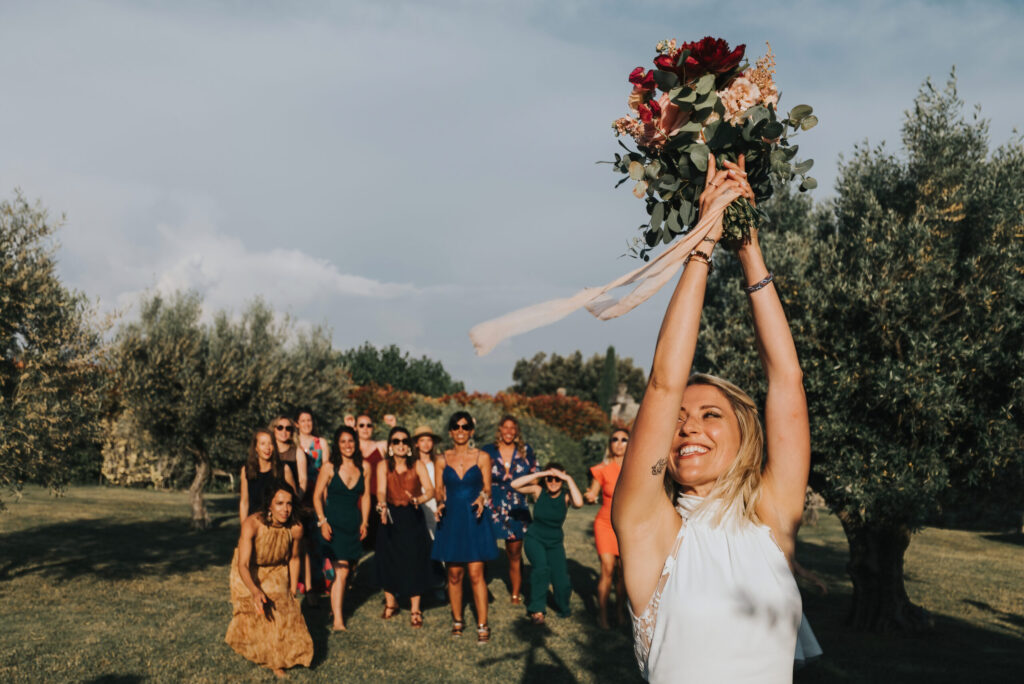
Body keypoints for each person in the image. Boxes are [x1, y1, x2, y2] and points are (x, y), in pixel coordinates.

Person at [612, 154, 808, 682]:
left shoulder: (773, 518)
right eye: (678, 419)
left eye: (710, 414)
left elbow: (786, 380)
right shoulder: (648, 527)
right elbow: (662, 383)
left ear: (745, 434)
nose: (688, 426)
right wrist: (700, 244)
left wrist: (746, 244)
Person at [225, 481, 313, 677]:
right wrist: (255, 590)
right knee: (258, 613)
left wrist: (292, 589)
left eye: (289, 503)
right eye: (280, 503)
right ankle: (274, 661)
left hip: (277, 571)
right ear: (269, 506)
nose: (285, 509)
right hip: (250, 571)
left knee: (282, 610)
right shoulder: (252, 524)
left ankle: (280, 657)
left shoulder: (295, 528)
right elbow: (243, 565)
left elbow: (295, 558)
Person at [431, 411, 498, 643]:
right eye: (456, 427)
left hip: (474, 518)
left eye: (465, 426)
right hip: (451, 519)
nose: (460, 431)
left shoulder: (482, 457)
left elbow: (488, 488)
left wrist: (481, 497)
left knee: (476, 574)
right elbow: (438, 489)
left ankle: (482, 625)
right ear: (450, 432)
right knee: (454, 574)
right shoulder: (441, 459)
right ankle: (457, 621)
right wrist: (439, 502)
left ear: (471, 431)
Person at [375, 426, 435, 628]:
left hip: (412, 516)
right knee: (388, 557)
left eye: (404, 441)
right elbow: (381, 490)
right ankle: (391, 604)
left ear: (409, 445)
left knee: (414, 560)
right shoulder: (383, 465)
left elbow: (431, 491)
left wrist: (419, 499)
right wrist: (382, 505)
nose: (400, 445)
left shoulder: (417, 464)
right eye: (396, 441)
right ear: (391, 445)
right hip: (390, 516)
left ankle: (415, 609)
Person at [313, 425, 371, 631]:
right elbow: (317, 495)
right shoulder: (329, 467)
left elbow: (365, 497)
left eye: (351, 441)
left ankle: (334, 606)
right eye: (343, 441)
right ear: (337, 445)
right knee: (342, 570)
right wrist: (322, 521)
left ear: (356, 443)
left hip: (353, 526)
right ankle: (338, 619)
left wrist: (365, 521)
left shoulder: (364, 467)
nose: (347, 445)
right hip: (333, 525)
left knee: (346, 571)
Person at [510, 463, 584, 624]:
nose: (553, 482)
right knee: (541, 569)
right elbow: (514, 484)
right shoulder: (538, 492)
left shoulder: (565, 496)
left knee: (561, 579)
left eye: (557, 479)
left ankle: (563, 607)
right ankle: (537, 609)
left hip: (555, 541)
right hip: (535, 538)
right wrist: (539, 474)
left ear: (563, 479)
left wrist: (568, 478)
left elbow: (579, 503)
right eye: (550, 478)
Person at [482, 415, 538, 604]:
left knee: (514, 551)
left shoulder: (526, 450)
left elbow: (535, 476)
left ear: (516, 431)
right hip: (492, 503)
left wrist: (533, 491)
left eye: (512, 428)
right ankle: (480, 585)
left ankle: (515, 592)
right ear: (499, 430)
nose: (508, 431)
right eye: (505, 428)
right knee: (485, 549)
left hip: (517, 504)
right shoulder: (488, 451)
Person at [583, 427, 629, 628]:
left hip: (627, 527)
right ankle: (602, 616)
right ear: (610, 444)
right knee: (607, 568)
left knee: (622, 573)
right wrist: (590, 496)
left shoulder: (635, 468)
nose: (619, 443)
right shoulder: (601, 469)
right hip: (605, 524)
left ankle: (619, 613)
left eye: (624, 440)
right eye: (615, 439)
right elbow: (593, 493)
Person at [296, 408, 330, 603]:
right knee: (301, 541)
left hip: (317, 492)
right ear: (297, 423)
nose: (307, 424)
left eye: (309, 420)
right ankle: (302, 583)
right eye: (303, 420)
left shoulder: (321, 443)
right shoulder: (294, 443)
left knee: (317, 540)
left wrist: (324, 499)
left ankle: (320, 582)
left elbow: (326, 468)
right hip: (300, 495)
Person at [239, 428, 296, 525]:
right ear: (256, 447)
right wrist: (244, 528)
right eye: (263, 444)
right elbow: (244, 502)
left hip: (278, 525)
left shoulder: (284, 469)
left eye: (271, 443)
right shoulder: (246, 470)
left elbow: (293, 499)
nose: (267, 448)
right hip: (255, 524)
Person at [356, 413, 387, 550]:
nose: (365, 428)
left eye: (369, 425)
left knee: (376, 543)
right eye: (361, 425)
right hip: (356, 500)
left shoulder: (380, 446)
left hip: (377, 499)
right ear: (356, 427)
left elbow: (401, 444)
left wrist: (393, 425)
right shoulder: (351, 448)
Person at [411, 424, 443, 539]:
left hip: (437, 502)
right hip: (419, 502)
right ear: (416, 443)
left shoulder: (438, 461)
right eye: (422, 440)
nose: (426, 444)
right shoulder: (412, 464)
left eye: (429, 440)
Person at [270, 416, 307, 499]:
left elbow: (303, 480)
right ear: (273, 429)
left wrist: (297, 499)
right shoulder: (268, 451)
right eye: (280, 428)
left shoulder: (298, 452)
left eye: (288, 428)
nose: (284, 431)